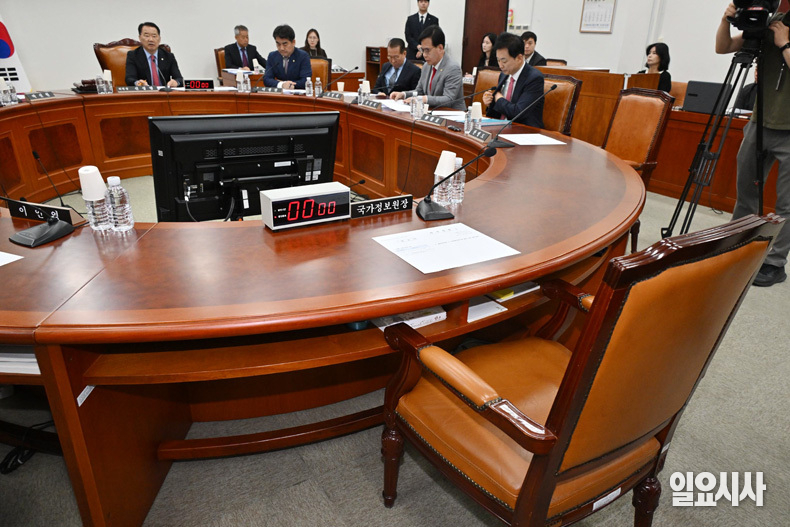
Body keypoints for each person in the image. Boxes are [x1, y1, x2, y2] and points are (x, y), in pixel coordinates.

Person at [716, 2, 790, 286]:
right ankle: (736, 245)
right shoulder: (773, 21)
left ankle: (774, 263)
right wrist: (726, 21)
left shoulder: (780, 32)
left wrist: (784, 44)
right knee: (746, 192)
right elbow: (723, 47)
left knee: (786, 204)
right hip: (759, 122)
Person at [390, 25, 465, 111]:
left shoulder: (453, 68)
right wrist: (404, 94)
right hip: (431, 112)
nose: (424, 55)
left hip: (452, 114)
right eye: (422, 50)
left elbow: (448, 99)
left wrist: (424, 99)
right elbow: (419, 91)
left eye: (427, 50)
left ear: (440, 48)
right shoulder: (426, 66)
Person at [483, 32, 544, 128]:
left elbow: (518, 112)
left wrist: (498, 98)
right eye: (498, 60)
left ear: (519, 58)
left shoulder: (534, 78)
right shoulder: (504, 74)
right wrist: (490, 101)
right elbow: (499, 108)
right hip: (500, 126)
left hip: (523, 130)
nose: (500, 65)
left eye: (504, 61)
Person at [125, 22, 182, 87]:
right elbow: (129, 79)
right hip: (145, 92)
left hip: (164, 92)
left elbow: (179, 79)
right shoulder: (133, 55)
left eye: (154, 36)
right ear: (140, 38)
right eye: (147, 36)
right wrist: (138, 83)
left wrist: (176, 82)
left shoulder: (168, 56)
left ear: (159, 39)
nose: (151, 39)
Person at [263, 24, 312, 90]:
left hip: (297, 93)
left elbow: (305, 81)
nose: (281, 48)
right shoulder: (272, 56)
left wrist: (289, 85)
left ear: (293, 42)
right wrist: (282, 85)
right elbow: (267, 79)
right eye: (278, 44)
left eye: (285, 44)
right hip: (279, 94)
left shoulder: (303, 56)